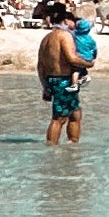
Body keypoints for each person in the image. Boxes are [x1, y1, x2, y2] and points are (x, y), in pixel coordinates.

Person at [36, 10, 84, 150]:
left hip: (52, 79)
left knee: (75, 113)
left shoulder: (46, 38)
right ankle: (52, 148)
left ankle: (72, 146)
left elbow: (40, 65)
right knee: (59, 118)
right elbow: (72, 58)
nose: (74, 25)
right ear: (65, 21)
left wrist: (45, 85)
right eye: (73, 21)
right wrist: (89, 63)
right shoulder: (64, 35)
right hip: (63, 80)